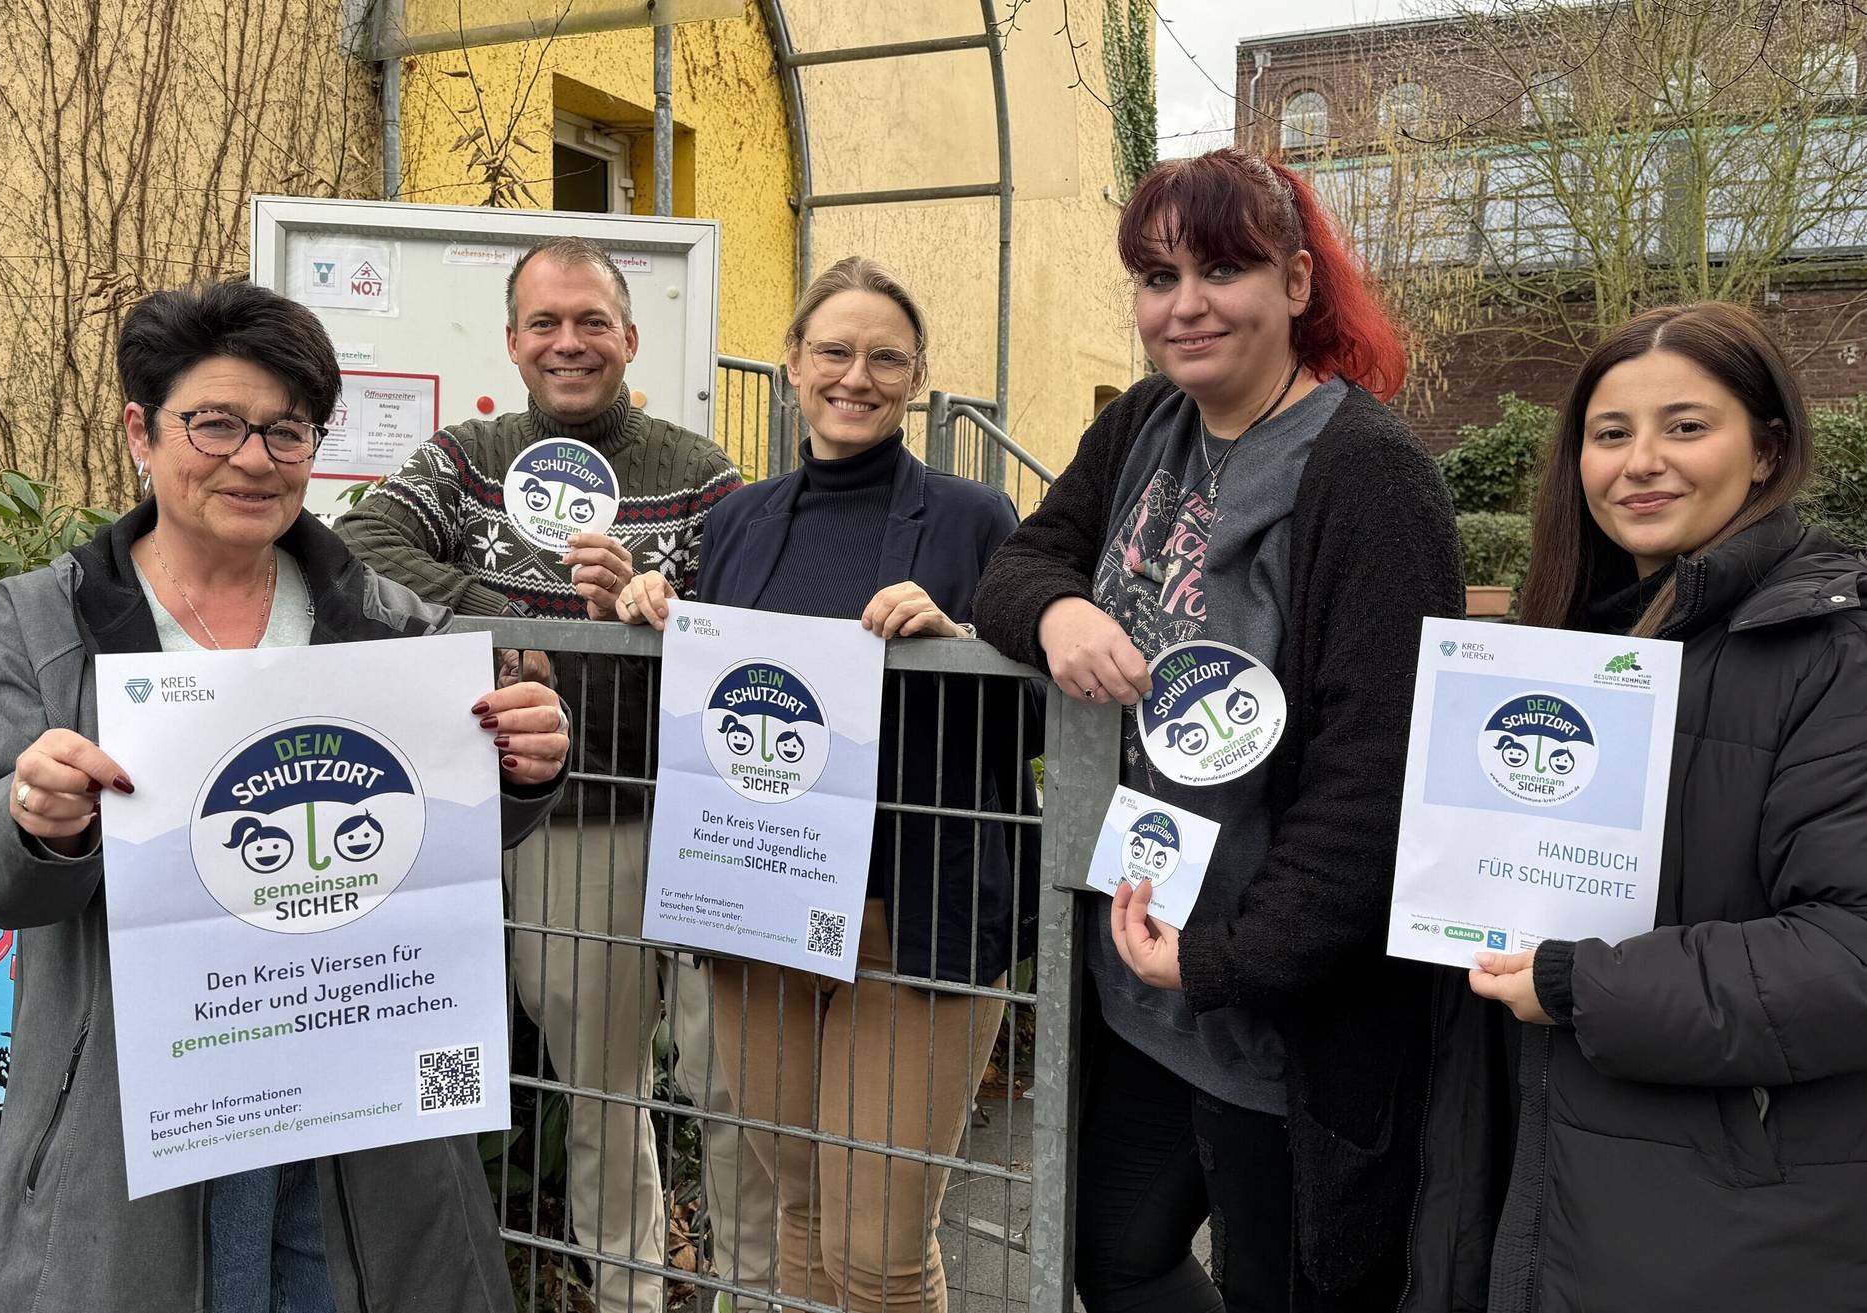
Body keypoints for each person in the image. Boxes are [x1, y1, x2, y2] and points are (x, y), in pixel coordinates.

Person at [0, 282, 571, 1313]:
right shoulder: (36, 624)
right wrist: (31, 820)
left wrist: (521, 771)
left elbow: (437, 835)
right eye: (215, 422)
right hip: (138, 1112)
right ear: (141, 427)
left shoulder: (389, 624)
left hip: (353, 1113)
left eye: (287, 430)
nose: (254, 458)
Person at [970, 149, 1462, 1312]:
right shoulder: (1149, 422)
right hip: (1139, 980)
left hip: (1281, 1009)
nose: (1184, 304)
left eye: (1224, 268)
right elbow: (1018, 559)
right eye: (1157, 275)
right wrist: (1062, 606)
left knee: (1289, 1287)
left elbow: (1373, 782)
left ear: (1297, 284)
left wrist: (1222, 960)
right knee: (1116, 1254)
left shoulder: (1369, 478)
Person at [334, 235, 767, 1312]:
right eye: (544, 323)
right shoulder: (470, 457)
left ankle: (755, 1292)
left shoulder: (702, 472)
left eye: (590, 322)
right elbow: (363, 540)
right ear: (515, 342)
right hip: (567, 826)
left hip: (704, 815)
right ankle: (629, 1293)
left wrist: (657, 606)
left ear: (628, 336)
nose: (567, 342)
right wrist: (520, 618)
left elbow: (757, 618)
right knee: (600, 1090)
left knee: (737, 1086)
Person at [1406, 303, 1867, 1313]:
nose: (1641, 462)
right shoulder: (1570, 643)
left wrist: (1583, 984)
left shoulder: (1833, 656)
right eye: (1611, 434)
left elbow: (1849, 954)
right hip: (1548, 1180)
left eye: (1687, 427)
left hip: (1720, 1229)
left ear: (1766, 449)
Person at [615, 255, 1041, 1313]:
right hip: (763, 909)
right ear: (795, 364)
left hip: (911, 917)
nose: (857, 375)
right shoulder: (745, 520)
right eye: (835, 351)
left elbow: (1045, 719)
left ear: (917, 377)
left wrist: (964, 642)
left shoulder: (972, 518)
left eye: (885, 356)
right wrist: (664, 621)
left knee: (884, 1241)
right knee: (800, 1207)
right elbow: (734, 702)